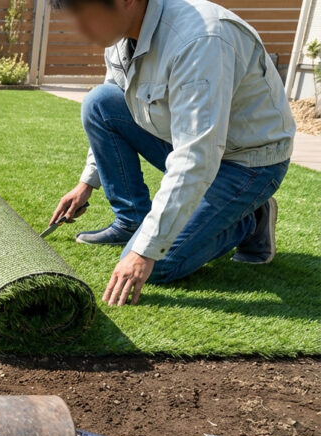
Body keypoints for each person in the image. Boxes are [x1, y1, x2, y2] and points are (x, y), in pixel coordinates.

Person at [49, 0, 295, 306]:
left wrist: (145, 251)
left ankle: (249, 221)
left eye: (84, 14)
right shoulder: (120, 36)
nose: (79, 29)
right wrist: (86, 184)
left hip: (247, 162)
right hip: (190, 142)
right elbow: (118, 102)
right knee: (100, 102)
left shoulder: (200, 39)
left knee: (157, 264)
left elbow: (196, 156)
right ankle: (130, 221)